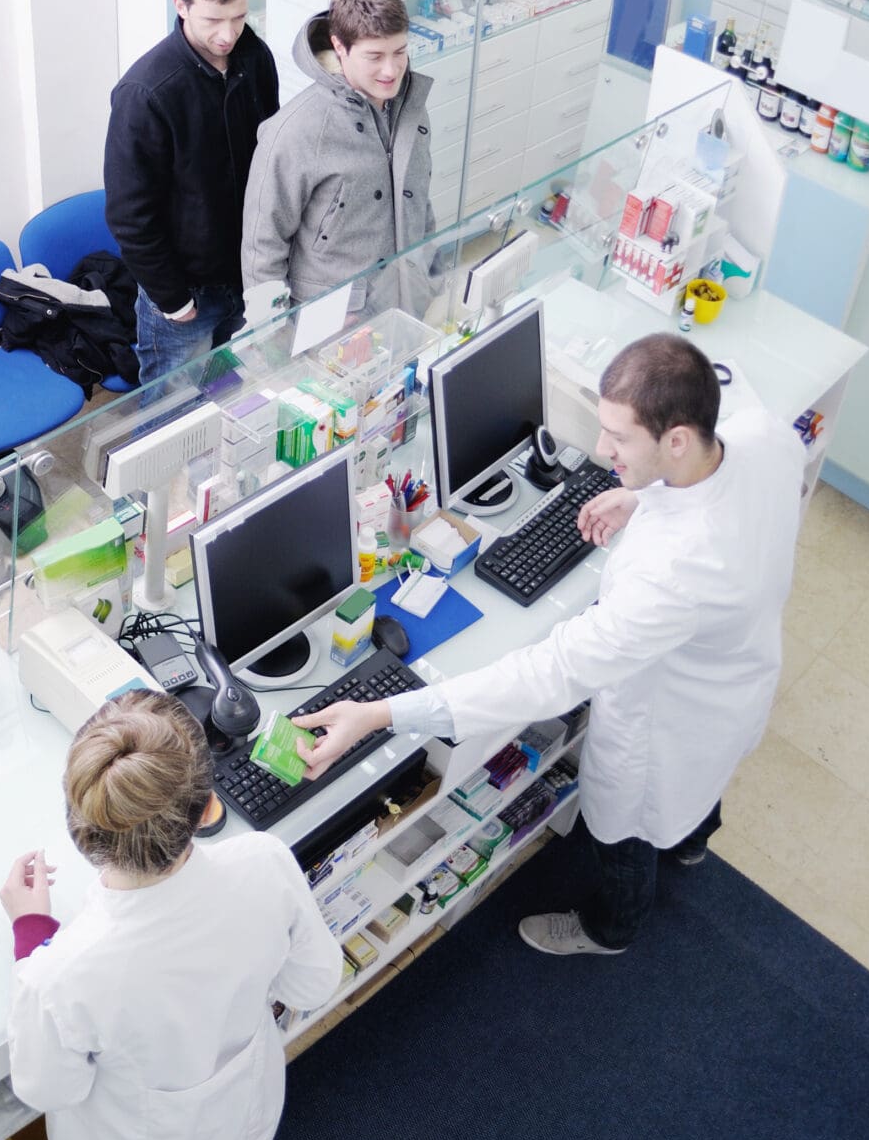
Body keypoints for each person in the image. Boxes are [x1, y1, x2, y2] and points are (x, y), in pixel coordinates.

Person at [297, 336, 803, 957]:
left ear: (675, 440)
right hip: (735, 680)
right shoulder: (765, 437)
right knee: (702, 794)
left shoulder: (678, 576)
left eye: (619, 439)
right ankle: (693, 844)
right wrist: (643, 494)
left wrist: (381, 713)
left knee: (627, 835)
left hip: (668, 722)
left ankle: (608, 929)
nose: (599, 449)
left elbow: (549, 673)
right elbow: (712, 491)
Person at [1, 692, 344, 1140]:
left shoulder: (63, 971)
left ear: (82, 829)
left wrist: (31, 929)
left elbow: (48, 1086)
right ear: (208, 807)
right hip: (235, 1102)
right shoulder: (263, 860)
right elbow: (314, 981)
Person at [103, 0, 279, 387]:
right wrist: (174, 301)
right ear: (180, 5)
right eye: (213, 20)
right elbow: (129, 216)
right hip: (186, 297)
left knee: (235, 402)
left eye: (239, 17)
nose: (227, 34)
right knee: (170, 426)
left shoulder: (255, 58)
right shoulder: (146, 93)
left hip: (247, 275)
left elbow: (272, 160)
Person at [240, 0, 438, 322]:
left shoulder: (409, 107)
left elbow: (419, 199)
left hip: (406, 301)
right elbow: (262, 245)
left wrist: (432, 275)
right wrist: (272, 334)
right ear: (340, 47)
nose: (391, 70)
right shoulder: (295, 131)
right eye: (374, 56)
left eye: (400, 52)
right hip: (332, 318)